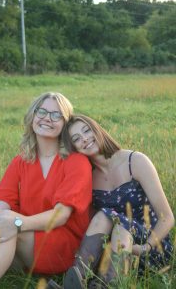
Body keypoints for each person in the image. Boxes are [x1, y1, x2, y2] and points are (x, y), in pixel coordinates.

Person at [0, 94, 92, 289]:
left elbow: (60, 216)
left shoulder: (76, 162)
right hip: (27, 235)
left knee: (10, 230)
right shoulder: (22, 160)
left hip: (60, 243)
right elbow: (3, 200)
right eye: (43, 111)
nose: (47, 118)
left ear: (65, 124)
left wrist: (17, 223)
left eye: (56, 115)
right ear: (33, 116)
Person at [60, 114, 175, 289]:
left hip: (149, 247)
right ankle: (78, 279)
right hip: (114, 254)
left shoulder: (135, 161)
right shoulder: (87, 177)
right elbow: (92, 225)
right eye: (77, 139)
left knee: (119, 224)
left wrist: (145, 247)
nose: (85, 139)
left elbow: (167, 217)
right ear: (74, 148)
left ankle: (106, 285)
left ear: (97, 129)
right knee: (102, 217)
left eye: (87, 130)